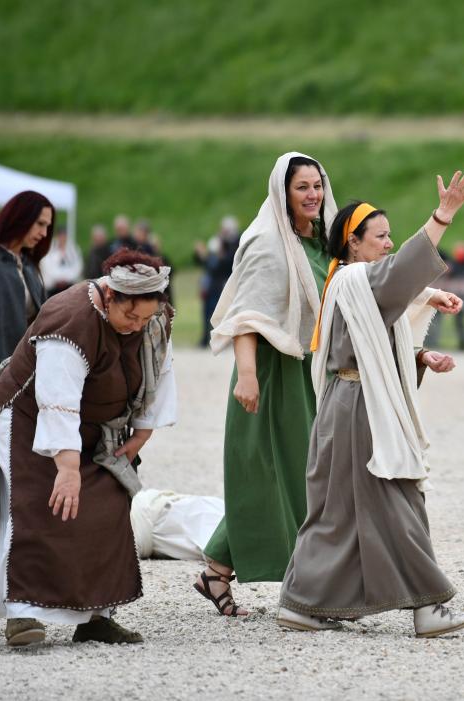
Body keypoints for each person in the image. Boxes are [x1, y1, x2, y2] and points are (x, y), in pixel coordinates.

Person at [278, 171, 464, 638]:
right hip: (360, 410)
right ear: (353, 242)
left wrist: (421, 357)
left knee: (337, 512)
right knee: (398, 500)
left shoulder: (348, 283)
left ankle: (304, 605)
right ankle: (427, 606)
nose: (388, 244)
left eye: (390, 236)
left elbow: (373, 342)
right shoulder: (356, 279)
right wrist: (442, 216)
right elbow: (403, 272)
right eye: (380, 236)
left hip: (347, 404)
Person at [0, 249, 176, 646]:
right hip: (28, 417)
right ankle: (21, 613)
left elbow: (161, 371)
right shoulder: (71, 320)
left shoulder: (152, 318)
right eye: (130, 316)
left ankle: (97, 616)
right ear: (110, 296)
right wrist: (68, 469)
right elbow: (58, 399)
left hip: (91, 427)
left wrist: (141, 434)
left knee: (108, 504)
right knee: (34, 507)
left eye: (144, 318)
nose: (136, 326)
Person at [193, 153, 337, 617]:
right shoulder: (267, 244)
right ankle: (312, 586)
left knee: (302, 473)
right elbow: (247, 317)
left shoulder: (325, 241)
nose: (313, 194)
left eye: (317, 185)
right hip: (272, 372)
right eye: (302, 187)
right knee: (290, 476)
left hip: (310, 370)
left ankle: (216, 570)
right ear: (283, 192)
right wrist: (249, 377)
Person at [0, 191, 54, 399]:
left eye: (47, 226)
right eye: (40, 224)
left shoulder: (28, 265)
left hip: (22, 368)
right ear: (21, 217)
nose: (44, 233)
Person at [194, 216, 242, 348]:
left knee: (223, 313)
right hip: (212, 286)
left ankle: (222, 339)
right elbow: (208, 265)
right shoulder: (219, 242)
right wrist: (202, 256)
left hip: (222, 285)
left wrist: (207, 256)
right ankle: (206, 339)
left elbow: (221, 266)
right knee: (208, 313)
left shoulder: (234, 245)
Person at [40, 226, 83, 296]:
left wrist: (66, 279)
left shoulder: (73, 249)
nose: (62, 238)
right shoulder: (50, 248)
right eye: (61, 236)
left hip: (69, 285)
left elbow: (78, 266)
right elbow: (46, 266)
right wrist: (58, 279)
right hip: (53, 287)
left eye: (64, 236)